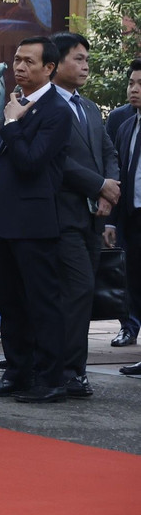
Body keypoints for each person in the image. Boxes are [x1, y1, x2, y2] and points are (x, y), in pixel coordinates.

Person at [0, 37, 73, 403]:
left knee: (42, 303)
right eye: (17, 59)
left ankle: (51, 380)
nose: (19, 67)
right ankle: (17, 373)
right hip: (3, 223)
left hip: (34, 222)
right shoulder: (16, 103)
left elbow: (32, 162)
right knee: (10, 302)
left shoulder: (56, 111)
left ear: (49, 68)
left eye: (29, 61)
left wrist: (14, 124)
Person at [50, 32, 119, 398]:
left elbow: (108, 151)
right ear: (56, 63)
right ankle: (68, 371)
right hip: (61, 217)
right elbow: (59, 160)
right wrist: (98, 185)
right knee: (76, 291)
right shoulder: (47, 106)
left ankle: (72, 369)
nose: (85, 66)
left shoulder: (90, 108)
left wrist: (109, 189)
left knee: (82, 294)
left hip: (92, 218)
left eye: (86, 60)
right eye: (78, 59)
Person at [108, 60, 141, 378]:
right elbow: (117, 174)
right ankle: (130, 328)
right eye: (132, 82)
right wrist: (111, 221)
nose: (134, 89)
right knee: (133, 282)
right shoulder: (125, 123)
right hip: (133, 217)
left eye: (140, 83)